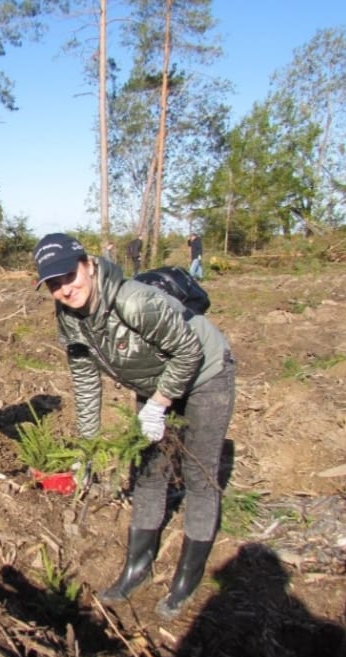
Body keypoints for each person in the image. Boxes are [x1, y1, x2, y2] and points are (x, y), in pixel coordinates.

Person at [32, 233, 235, 619]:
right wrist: (88, 449)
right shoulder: (69, 319)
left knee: (199, 474)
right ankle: (136, 568)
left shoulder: (134, 302)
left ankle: (186, 581)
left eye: (68, 276)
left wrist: (158, 405)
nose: (64, 289)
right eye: (53, 284)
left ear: (89, 265)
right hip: (155, 380)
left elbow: (189, 351)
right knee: (147, 473)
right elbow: (86, 381)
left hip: (207, 373)